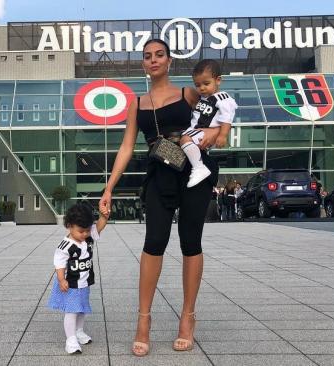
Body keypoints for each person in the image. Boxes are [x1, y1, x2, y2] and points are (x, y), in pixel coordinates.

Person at [99, 39, 220, 357]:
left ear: (169, 62)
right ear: (144, 64)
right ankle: (144, 320)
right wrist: (109, 188)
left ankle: (187, 317)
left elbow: (216, 119)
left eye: (159, 55)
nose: (153, 60)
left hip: (194, 170)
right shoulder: (137, 103)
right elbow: (127, 147)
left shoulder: (188, 94)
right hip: (160, 172)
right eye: (147, 57)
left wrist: (211, 136)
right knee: (154, 242)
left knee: (190, 241)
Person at [47, 202, 109, 354]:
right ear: (69, 225)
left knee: (81, 309)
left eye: (88, 230)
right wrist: (62, 280)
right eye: (81, 231)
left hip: (84, 282)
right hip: (71, 284)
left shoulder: (87, 237)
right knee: (72, 311)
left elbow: (99, 226)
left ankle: (79, 331)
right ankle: (71, 339)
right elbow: (59, 264)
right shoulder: (65, 246)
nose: (85, 234)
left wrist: (104, 216)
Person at [180, 59, 238, 188]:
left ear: (218, 80)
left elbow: (227, 117)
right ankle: (197, 166)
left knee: (184, 140)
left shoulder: (222, 98)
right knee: (183, 140)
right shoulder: (202, 99)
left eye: (206, 83)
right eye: (198, 85)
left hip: (203, 131)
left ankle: (199, 168)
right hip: (197, 130)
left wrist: (222, 135)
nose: (202, 88)